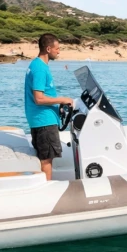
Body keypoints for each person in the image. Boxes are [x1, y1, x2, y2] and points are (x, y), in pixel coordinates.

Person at [24, 33, 73, 180]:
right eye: (57, 48)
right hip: (44, 121)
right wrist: (62, 99)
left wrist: (57, 105)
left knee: (44, 158)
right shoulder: (40, 69)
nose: (59, 51)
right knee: (46, 159)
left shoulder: (36, 64)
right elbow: (38, 98)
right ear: (48, 49)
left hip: (41, 118)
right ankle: (46, 189)